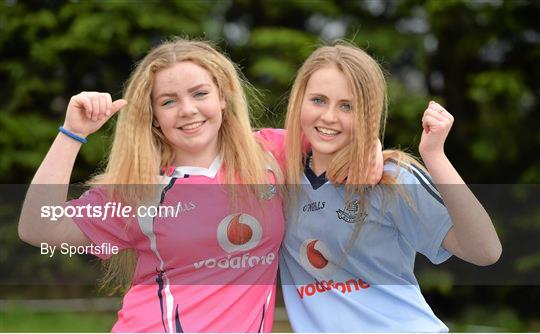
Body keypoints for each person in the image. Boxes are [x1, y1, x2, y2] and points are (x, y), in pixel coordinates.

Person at [18, 38, 286, 332]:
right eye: (168, 101)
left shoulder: (270, 153)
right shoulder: (141, 190)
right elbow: (39, 228)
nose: (187, 109)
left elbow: (340, 142)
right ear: (155, 117)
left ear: (222, 97)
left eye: (200, 94)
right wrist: (71, 133)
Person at [274, 41, 502, 332]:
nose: (329, 116)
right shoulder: (277, 178)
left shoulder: (390, 177)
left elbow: (485, 251)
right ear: (299, 102)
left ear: (367, 114)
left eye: (347, 106)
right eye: (318, 100)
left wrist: (435, 155)